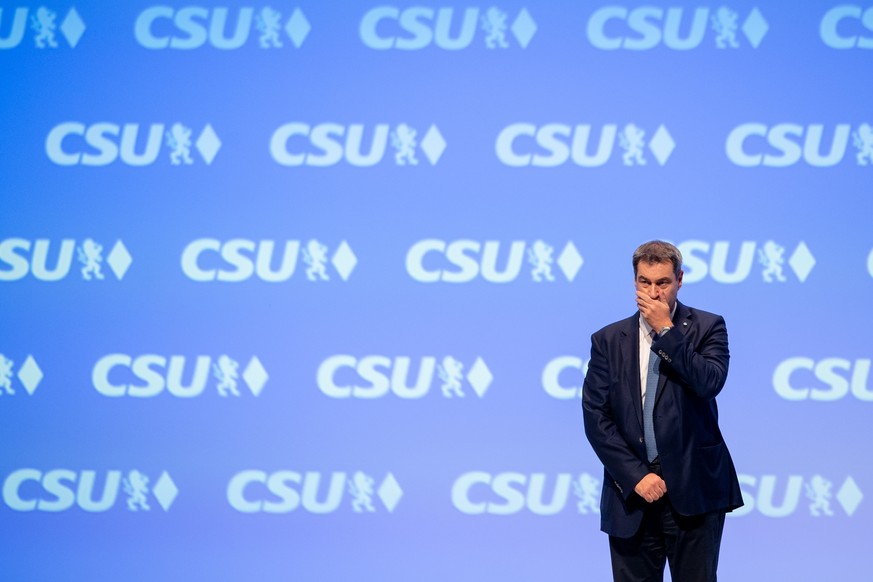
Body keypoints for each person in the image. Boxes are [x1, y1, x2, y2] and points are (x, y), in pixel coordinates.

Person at [582, 240, 743, 581]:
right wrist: (635, 475)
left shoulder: (708, 327)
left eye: (663, 283)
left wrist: (665, 331)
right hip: (632, 494)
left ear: (679, 280)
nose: (653, 293)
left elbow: (709, 382)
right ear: (635, 281)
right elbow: (596, 417)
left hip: (694, 488)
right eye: (645, 282)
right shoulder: (608, 340)